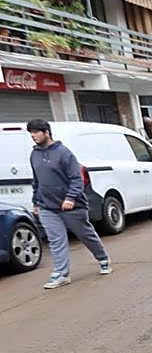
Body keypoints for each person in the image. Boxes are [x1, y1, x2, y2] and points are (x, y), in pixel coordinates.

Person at [26, 119, 111, 289]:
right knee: (56, 240)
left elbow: (76, 179)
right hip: (47, 206)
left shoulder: (64, 153)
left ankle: (103, 258)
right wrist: (36, 201)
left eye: (36, 132)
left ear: (46, 132)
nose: (33, 136)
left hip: (71, 206)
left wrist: (70, 198)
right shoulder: (34, 154)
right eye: (31, 133)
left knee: (86, 234)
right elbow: (37, 180)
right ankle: (61, 274)